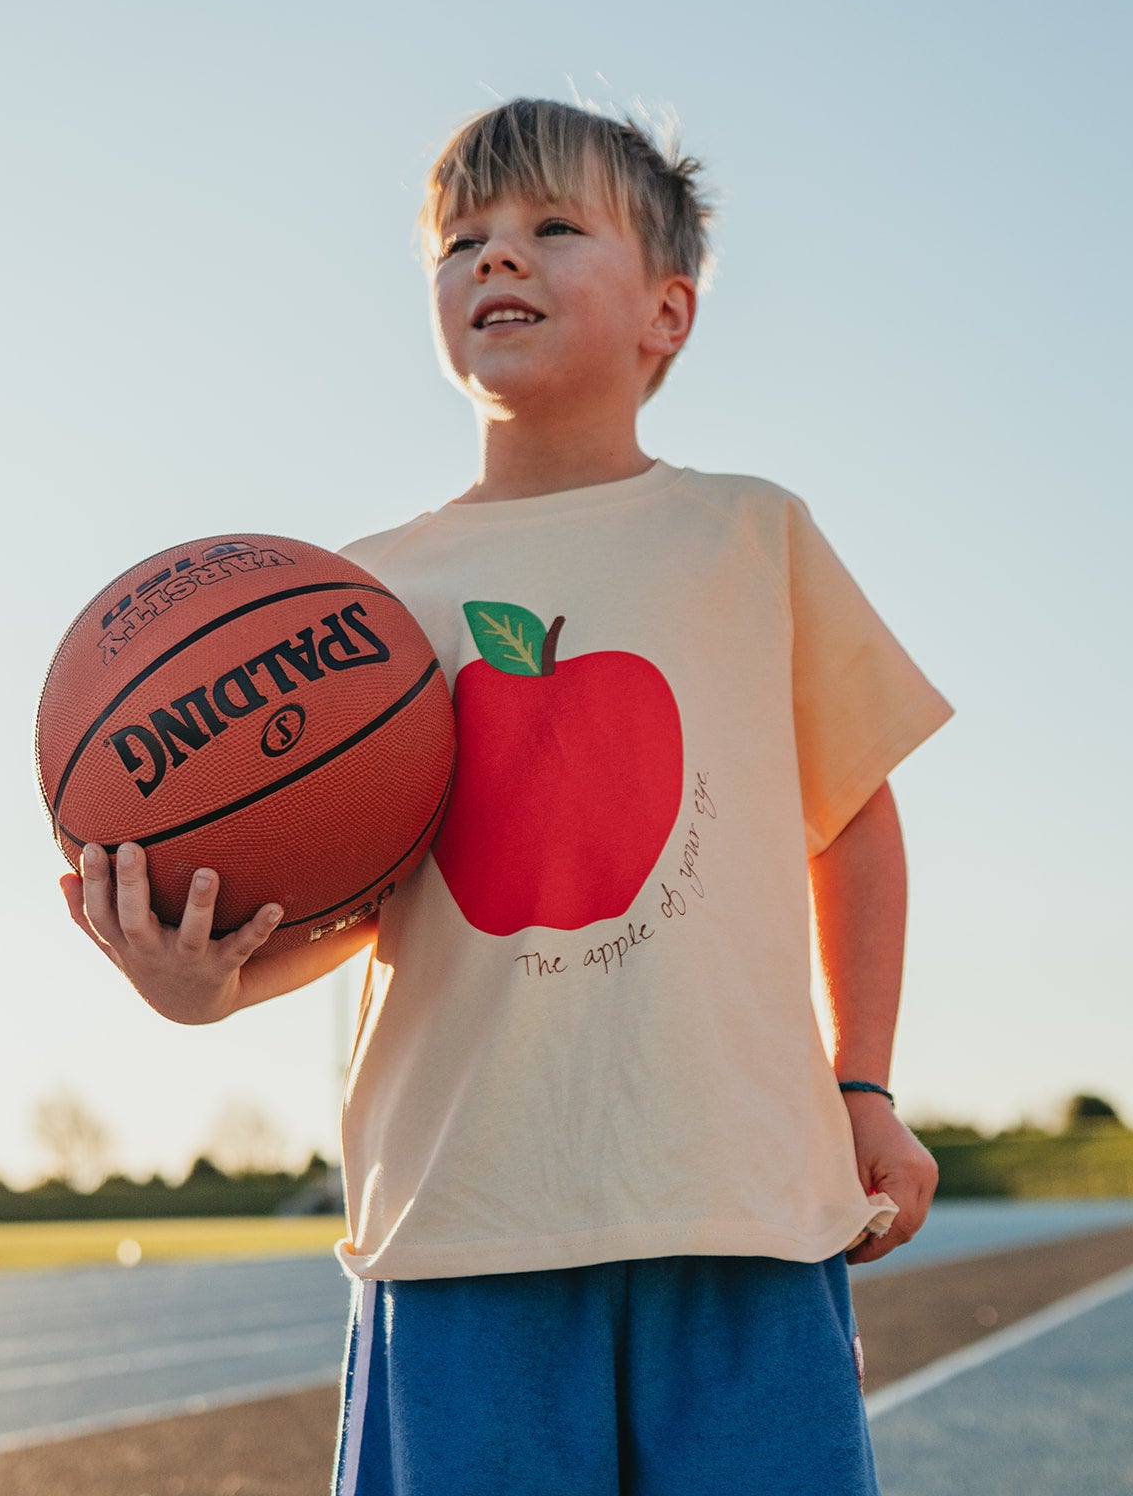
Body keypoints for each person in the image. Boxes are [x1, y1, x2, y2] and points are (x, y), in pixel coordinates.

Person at [62, 97, 951, 1494]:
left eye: (550, 227)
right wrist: (210, 986)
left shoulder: (750, 533)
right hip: (466, 1212)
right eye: (461, 239)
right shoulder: (355, 601)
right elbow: (357, 899)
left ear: (671, 311)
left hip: (744, 1202)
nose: (497, 259)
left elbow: (855, 820)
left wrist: (865, 1083)